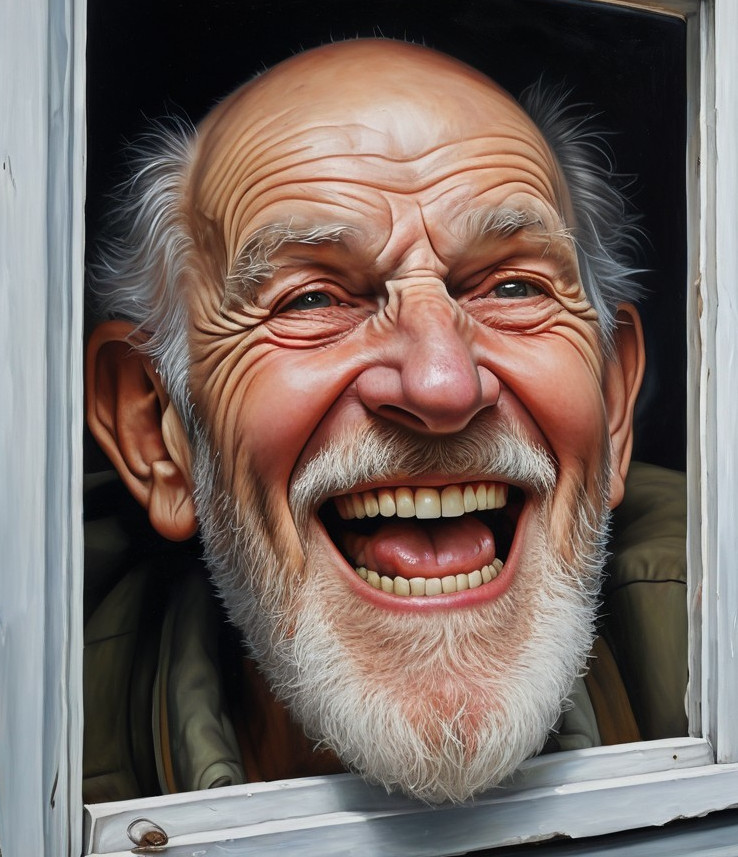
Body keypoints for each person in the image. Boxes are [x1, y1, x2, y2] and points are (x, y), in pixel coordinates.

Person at [84, 38, 681, 806]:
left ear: (613, 401)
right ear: (155, 430)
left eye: (513, 287)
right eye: (311, 299)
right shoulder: (35, 737)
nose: (442, 385)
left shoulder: (710, 647)